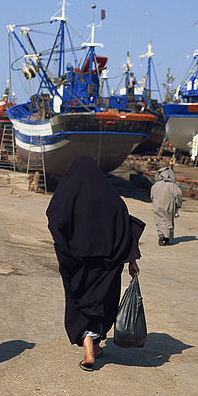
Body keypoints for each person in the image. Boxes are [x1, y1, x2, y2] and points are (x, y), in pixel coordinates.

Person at [46, 155, 144, 372]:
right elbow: (125, 227)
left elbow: (55, 218)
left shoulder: (68, 194)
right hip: (107, 264)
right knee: (103, 301)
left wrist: (66, 246)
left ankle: (89, 348)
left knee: (79, 299)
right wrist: (132, 260)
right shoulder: (111, 197)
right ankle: (95, 344)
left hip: (77, 261)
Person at [150, 166, 182, 246]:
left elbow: (152, 196)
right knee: (168, 221)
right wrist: (178, 205)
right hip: (170, 206)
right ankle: (167, 237)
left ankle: (161, 235)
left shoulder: (155, 185)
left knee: (159, 220)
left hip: (157, 205)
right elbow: (178, 195)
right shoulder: (173, 186)